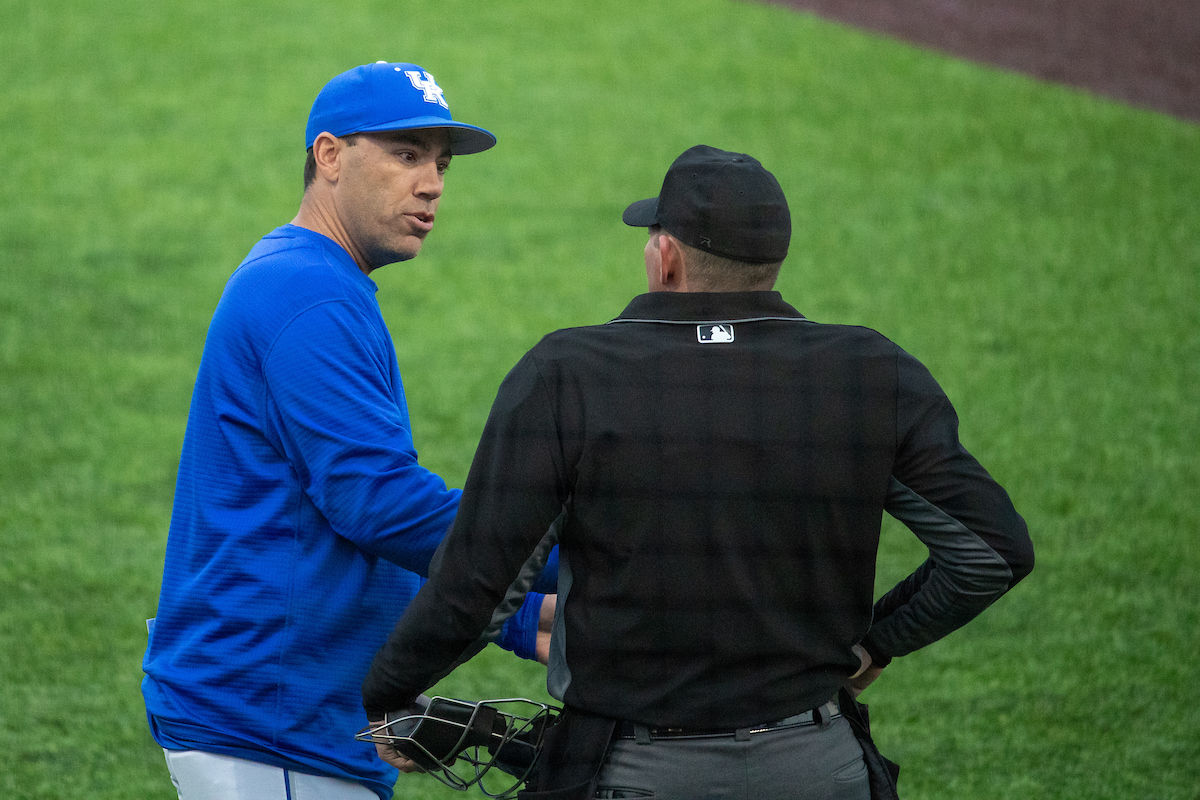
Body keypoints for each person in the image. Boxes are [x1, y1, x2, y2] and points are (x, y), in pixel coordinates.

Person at [359, 145, 1035, 799]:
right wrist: (879, 642)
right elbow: (991, 552)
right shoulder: (870, 373)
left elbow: (477, 585)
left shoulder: (569, 375)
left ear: (667, 257)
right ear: (772, 260)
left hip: (636, 771)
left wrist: (390, 693)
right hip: (820, 765)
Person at [140, 61, 556, 800]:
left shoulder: (317, 282)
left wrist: (519, 613)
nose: (431, 183)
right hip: (269, 727)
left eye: (441, 163)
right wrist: (583, 553)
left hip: (287, 723)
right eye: (406, 154)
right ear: (329, 155)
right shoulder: (307, 295)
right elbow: (381, 505)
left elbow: (347, 515)